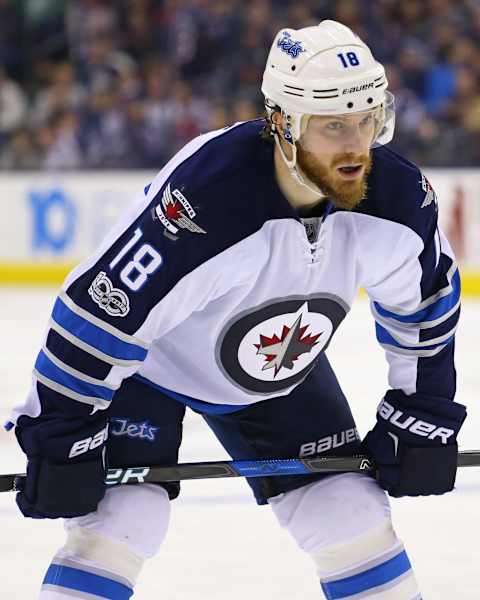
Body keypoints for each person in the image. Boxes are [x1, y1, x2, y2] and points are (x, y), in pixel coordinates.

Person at [7, 20, 466, 599]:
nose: (355, 145)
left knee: (349, 514)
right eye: (332, 125)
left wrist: (421, 414)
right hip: (152, 368)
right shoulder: (209, 198)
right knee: (122, 521)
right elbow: (98, 316)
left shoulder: (397, 199)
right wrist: (61, 436)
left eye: (366, 120)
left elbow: (426, 307)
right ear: (281, 123)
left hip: (279, 371)